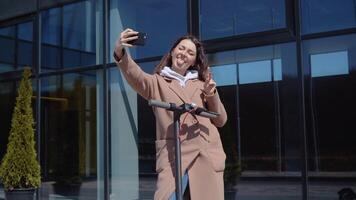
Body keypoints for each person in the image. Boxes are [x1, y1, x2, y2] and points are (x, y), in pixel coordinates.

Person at [114, 28, 227, 200]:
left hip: (206, 156)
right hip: (175, 158)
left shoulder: (202, 84)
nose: (184, 54)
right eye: (181, 48)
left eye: (190, 52)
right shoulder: (157, 82)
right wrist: (120, 51)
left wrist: (211, 93)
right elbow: (135, 76)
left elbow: (221, 121)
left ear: (194, 60)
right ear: (173, 51)